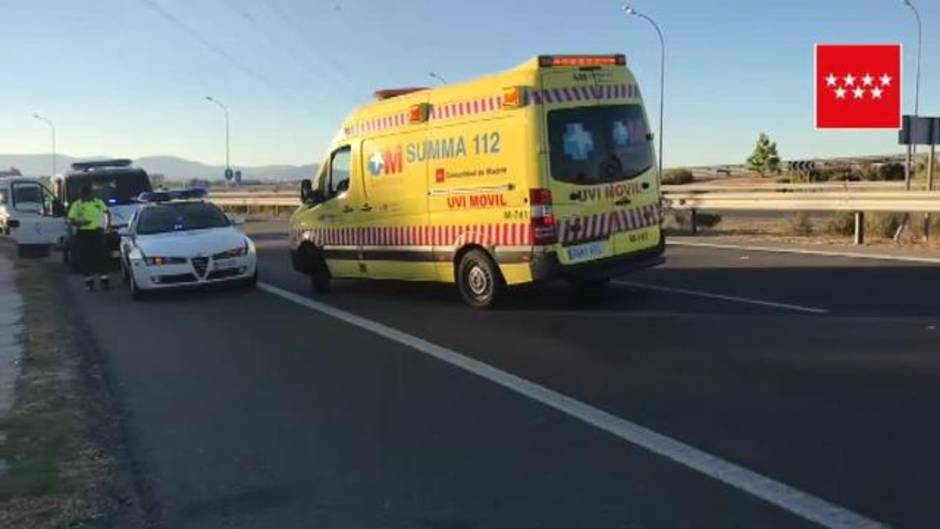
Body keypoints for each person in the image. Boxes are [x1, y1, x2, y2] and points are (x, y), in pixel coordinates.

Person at [68, 184, 111, 290]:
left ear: (90, 194)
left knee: (102, 257)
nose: (83, 197)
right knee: (85, 258)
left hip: (98, 232)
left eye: (85, 195)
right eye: (82, 195)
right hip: (84, 233)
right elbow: (71, 219)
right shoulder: (77, 204)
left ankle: (104, 281)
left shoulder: (98, 202)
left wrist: (107, 226)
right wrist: (80, 222)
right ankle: (89, 282)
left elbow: (107, 213)